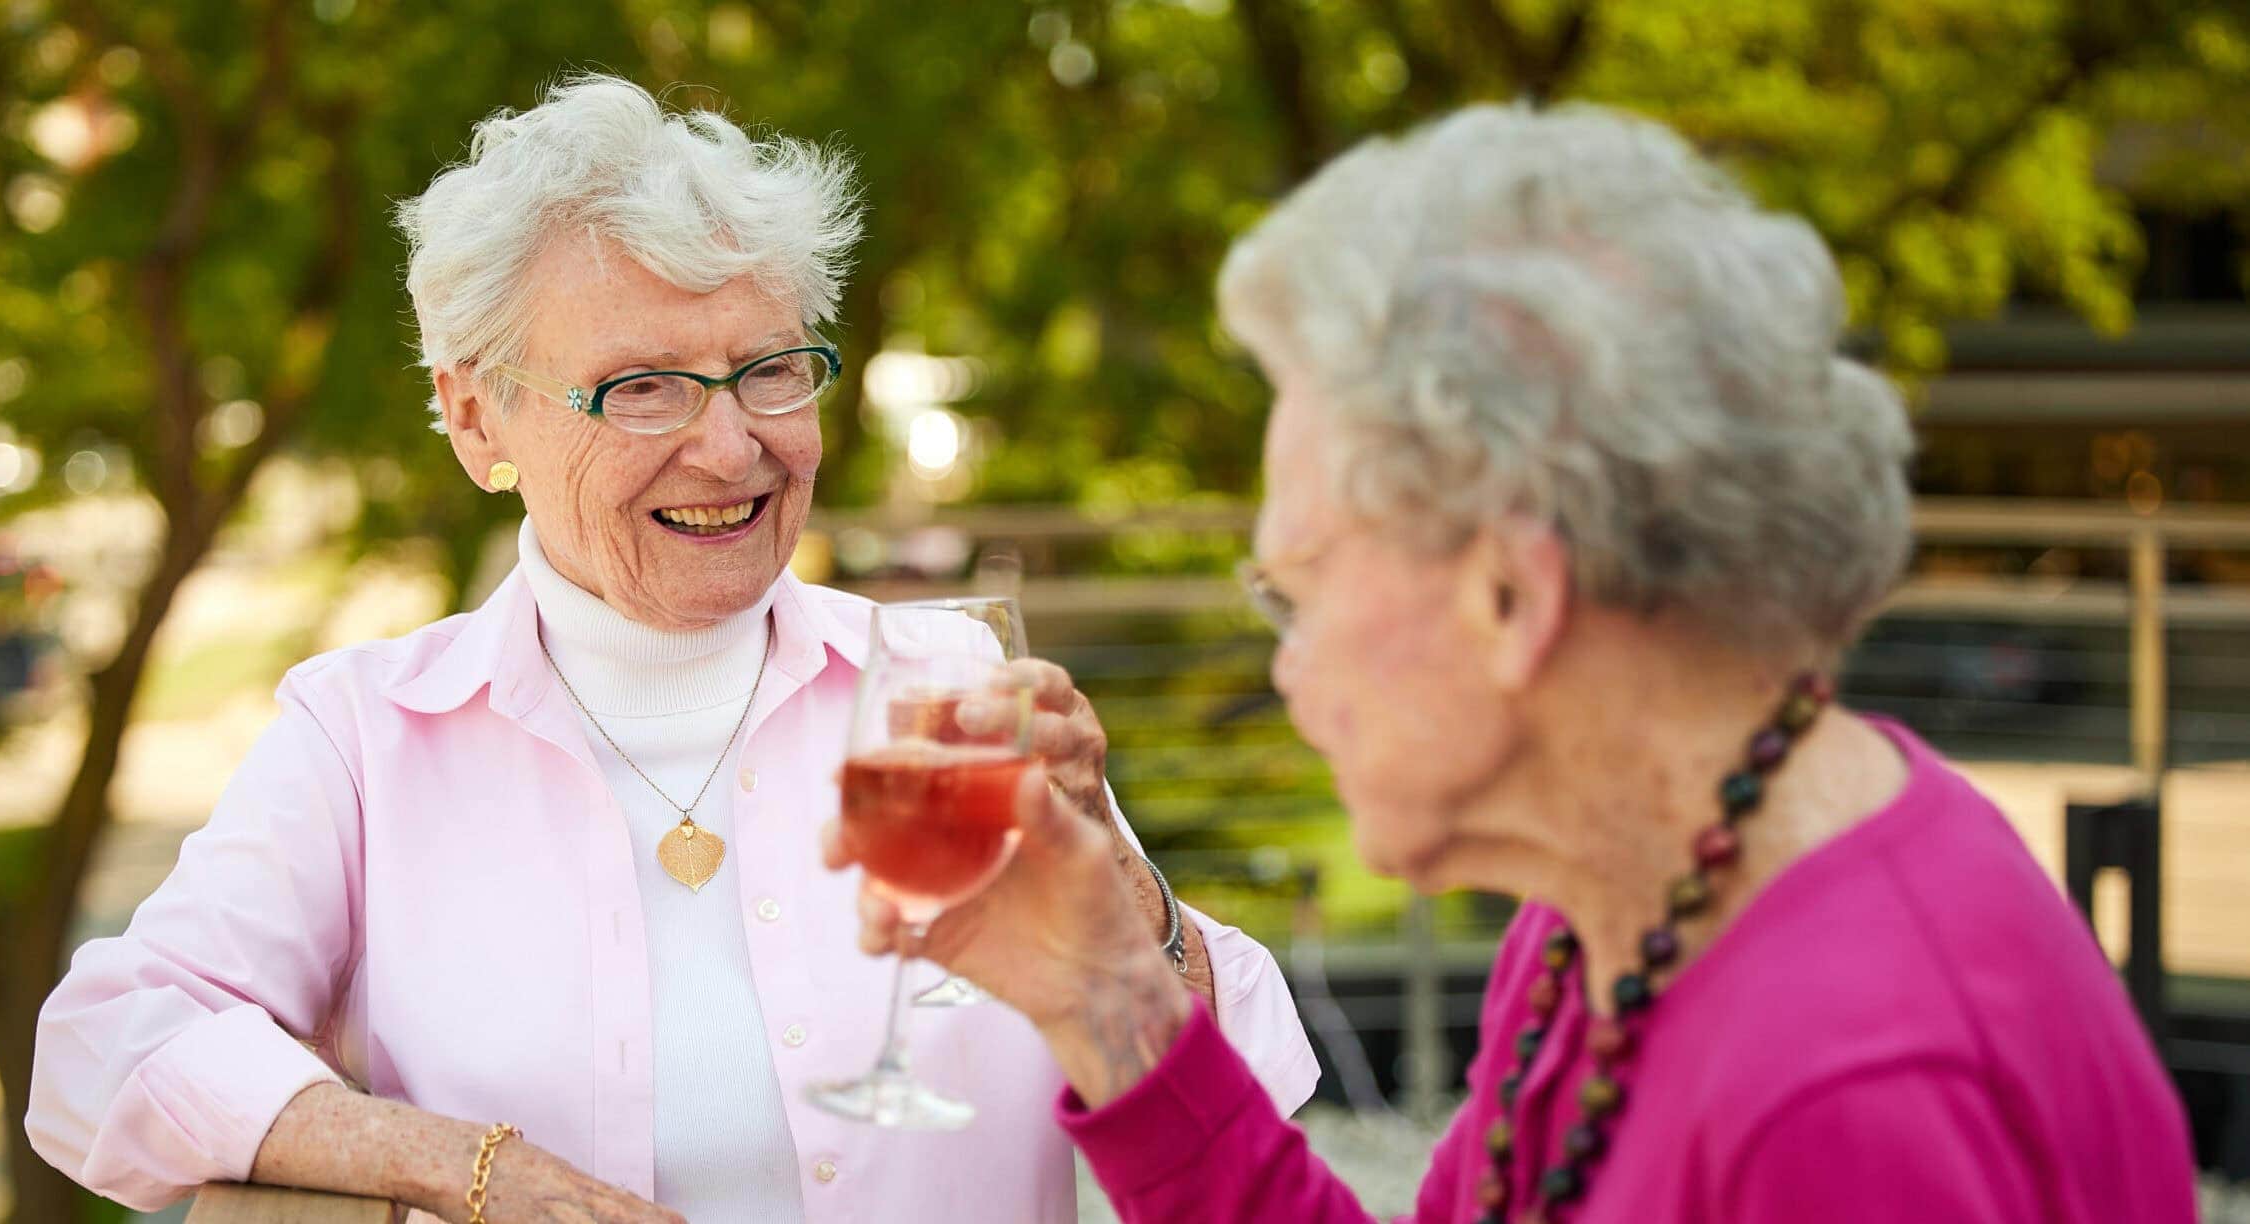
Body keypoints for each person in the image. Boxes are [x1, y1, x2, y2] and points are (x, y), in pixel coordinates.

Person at [833, 102, 2199, 1222]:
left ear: (1511, 594)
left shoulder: (1847, 1093)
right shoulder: (1606, 910)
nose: (1290, 671)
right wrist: (1102, 994)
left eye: (1296, 590)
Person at [25, 75, 1316, 1224]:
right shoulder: (367, 738)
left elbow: (1248, 1096)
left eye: (769, 371)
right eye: (642, 387)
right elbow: (104, 1050)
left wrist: (1124, 906)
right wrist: (465, 1169)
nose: (730, 446)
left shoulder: (942, 693)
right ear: (478, 420)